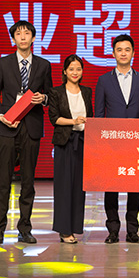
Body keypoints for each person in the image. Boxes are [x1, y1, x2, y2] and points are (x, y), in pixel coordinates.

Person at [0, 20, 53, 245]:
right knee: (4, 182)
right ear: (13, 39)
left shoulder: (44, 65)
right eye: (18, 33)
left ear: (33, 38)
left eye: (27, 33)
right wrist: (1, 116)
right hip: (7, 127)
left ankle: (25, 229)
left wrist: (43, 98)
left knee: (28, 182)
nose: (23, 37)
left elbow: (51, 95)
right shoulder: (2, 64)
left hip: (31, 128)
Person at [95, 34, 139, 244]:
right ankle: (112, 230)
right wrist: (101, 143)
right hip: (111, 143)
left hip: (136, 143)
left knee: (134, 188)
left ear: (133, 53)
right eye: (119, 50)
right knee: (111, 188)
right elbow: (99, 114)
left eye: (127, 49)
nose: (123, 53)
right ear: (113, 53)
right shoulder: (104, 80)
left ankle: (133, 231)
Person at [48, 55, 92, 244]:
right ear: (65, 71)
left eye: (78, 69)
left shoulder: (87, 91)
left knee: (79, 188)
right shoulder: (56, 92)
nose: (75, 72)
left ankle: (75, 227)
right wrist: (73, 121)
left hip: (82, 142)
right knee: (64, 187)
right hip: (64, 143)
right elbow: (54, 118)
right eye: (71, 69)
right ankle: (64, 230)